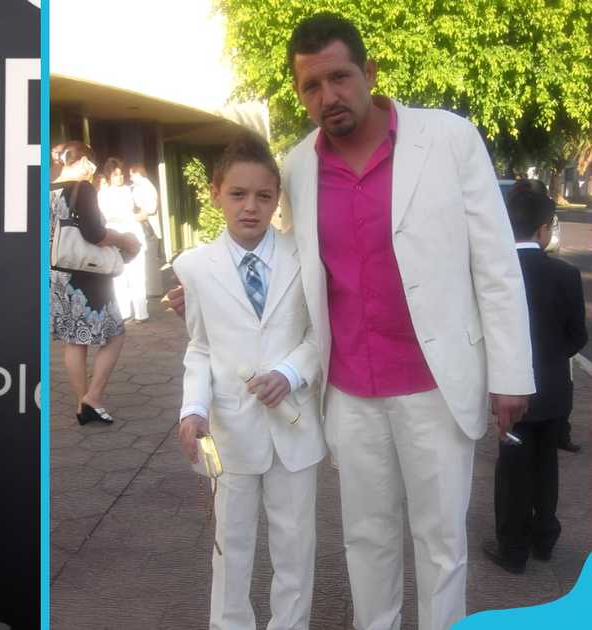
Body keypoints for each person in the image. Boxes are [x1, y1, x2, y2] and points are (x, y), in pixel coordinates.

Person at [167, 14, 534, 630]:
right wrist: (208, 289)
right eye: (310, 86)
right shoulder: (299, 167)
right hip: (349, 391)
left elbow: (495, 263)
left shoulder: (448, 139)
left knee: (441, 542)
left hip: (434, 383)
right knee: (366, 540)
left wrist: (511, 373)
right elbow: (286, 265)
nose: (326, 97)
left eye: (339, 78)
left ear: (369, 72)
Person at [175, 130, 326, 630]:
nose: (250, 207)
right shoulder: (194, 267)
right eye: (238, 194)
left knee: (295, 547)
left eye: (264, 196)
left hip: (294, 428)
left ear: (277, 199)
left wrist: (291, 372)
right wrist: (192, 408)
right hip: (232, 431)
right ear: (216, 192)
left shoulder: (304, 258)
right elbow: (200, 346)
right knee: (231, 546)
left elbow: (316, 337)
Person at [485, 182, 587, 573]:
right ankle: (544, 537)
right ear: (544, 228)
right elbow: (578, 335)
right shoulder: (565, 274)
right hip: (555, 392)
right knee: (547, 464)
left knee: (511, 468)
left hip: (510, 393)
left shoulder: (493, 275)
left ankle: (512, 548)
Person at [50, 141, 141, 424]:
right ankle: (94, 396)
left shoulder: (47, 189)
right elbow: (95, 234)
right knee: (115, 333)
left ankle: (83, 404)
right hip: (87, 274)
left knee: (74, 342)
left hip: (58, 273)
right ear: (85, 162)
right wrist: (124, 239)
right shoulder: (82, 188)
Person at [99, 157, 149, 322]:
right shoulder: (103, 193)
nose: (119, 178)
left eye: (121, 174)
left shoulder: (130, 190)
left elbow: (146, 206)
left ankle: (142, 313)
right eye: (115, 174)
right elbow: (106, 216)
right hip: (115, 235)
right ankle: (124, 312)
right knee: (119, 276)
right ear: (109, 176)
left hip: (133, 233)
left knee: (138, 275)